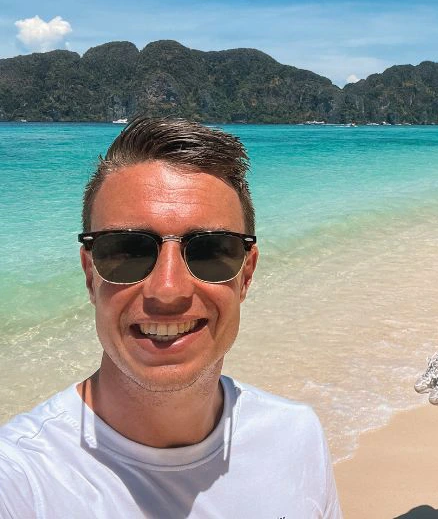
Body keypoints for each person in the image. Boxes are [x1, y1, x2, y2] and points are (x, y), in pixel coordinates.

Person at [0, 117, 342, 518]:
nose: (167, 289)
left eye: (210, 251)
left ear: (246, 275)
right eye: (127, 250)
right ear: (90, 274)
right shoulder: (22, 480)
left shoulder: (295, 437)